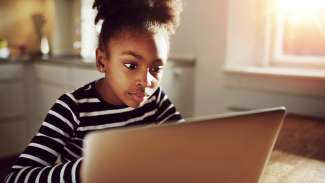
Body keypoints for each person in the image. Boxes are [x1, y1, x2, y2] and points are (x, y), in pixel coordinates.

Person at [4, 0, 183, 182]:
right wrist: (90, 167)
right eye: (131, 65)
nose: (146, 82)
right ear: (102, 61)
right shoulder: (71, 108)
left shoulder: (156, 101)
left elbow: (187, 144)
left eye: (156, 69)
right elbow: (16, 177)